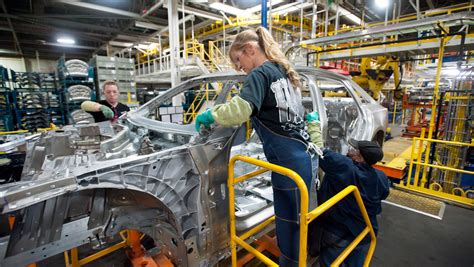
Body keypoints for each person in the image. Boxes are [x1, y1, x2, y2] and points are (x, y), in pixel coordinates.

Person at [195, 27, 319, 266]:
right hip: (304, 157)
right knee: (298, 221)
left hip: (287, 167)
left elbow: (241, 110)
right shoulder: (282, 71)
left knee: (289, 225)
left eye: (238, 60)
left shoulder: (260, 74)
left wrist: (212, 115)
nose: (239, 67)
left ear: (250, 49)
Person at [306, 113, 390, 267]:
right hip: (365, 232)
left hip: (337, 234)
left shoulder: (345, 166)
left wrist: (313, 125)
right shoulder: (381, 177)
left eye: (353, 149)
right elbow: (384, 194)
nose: (349, 149)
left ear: (360, 158)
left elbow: (319, 150)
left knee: (330, 262)